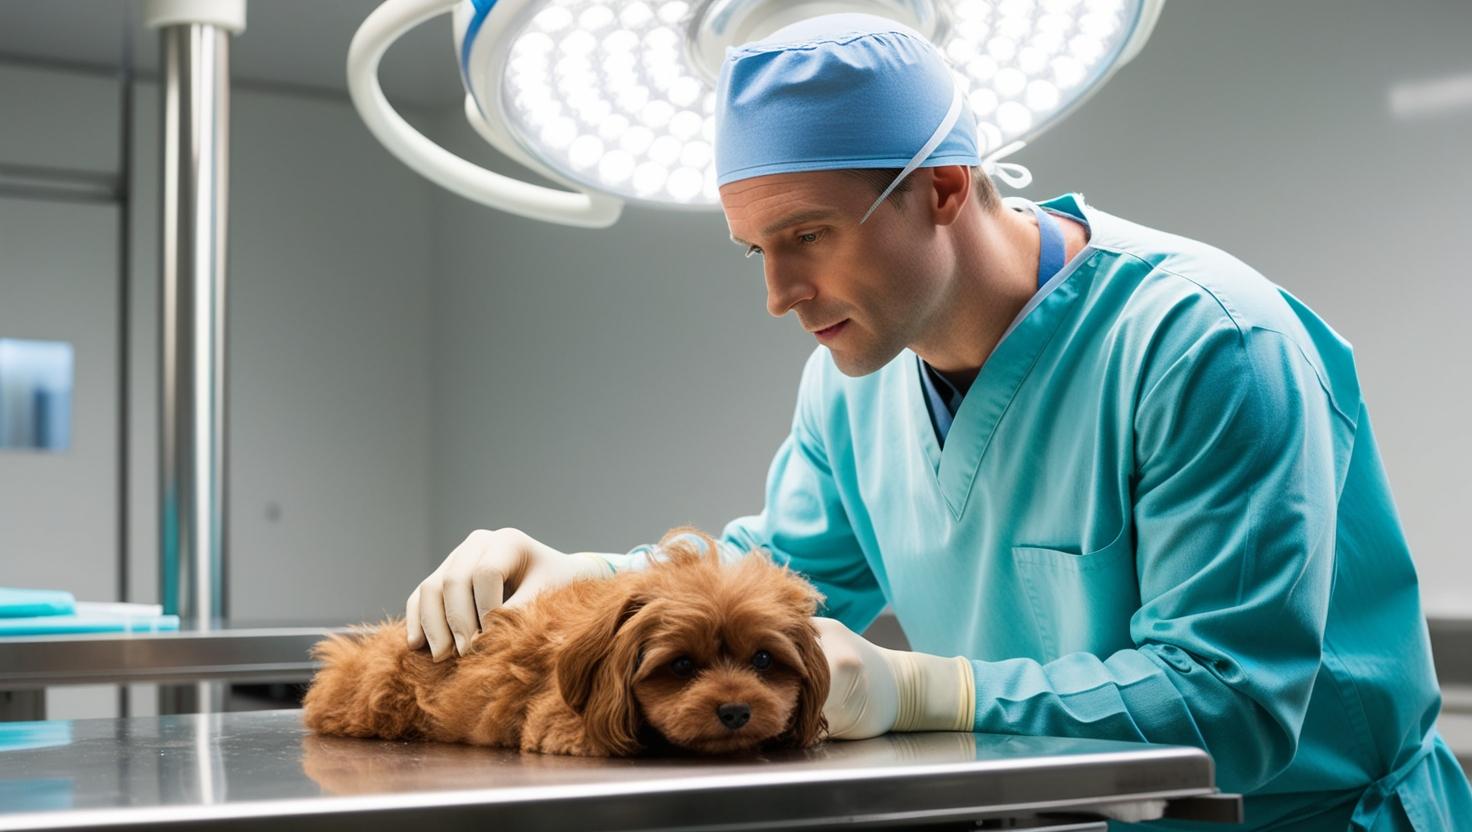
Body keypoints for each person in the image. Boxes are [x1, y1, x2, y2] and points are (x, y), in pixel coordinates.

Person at [404, 13, 1472, 830]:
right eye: (752, 249)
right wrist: (577, 573)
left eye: (807, 234)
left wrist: (921, 686)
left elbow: (1234, 709)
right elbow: (772, 571)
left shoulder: (1203, 344)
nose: (776, 292)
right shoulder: (854, 377)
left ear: (946, 189)